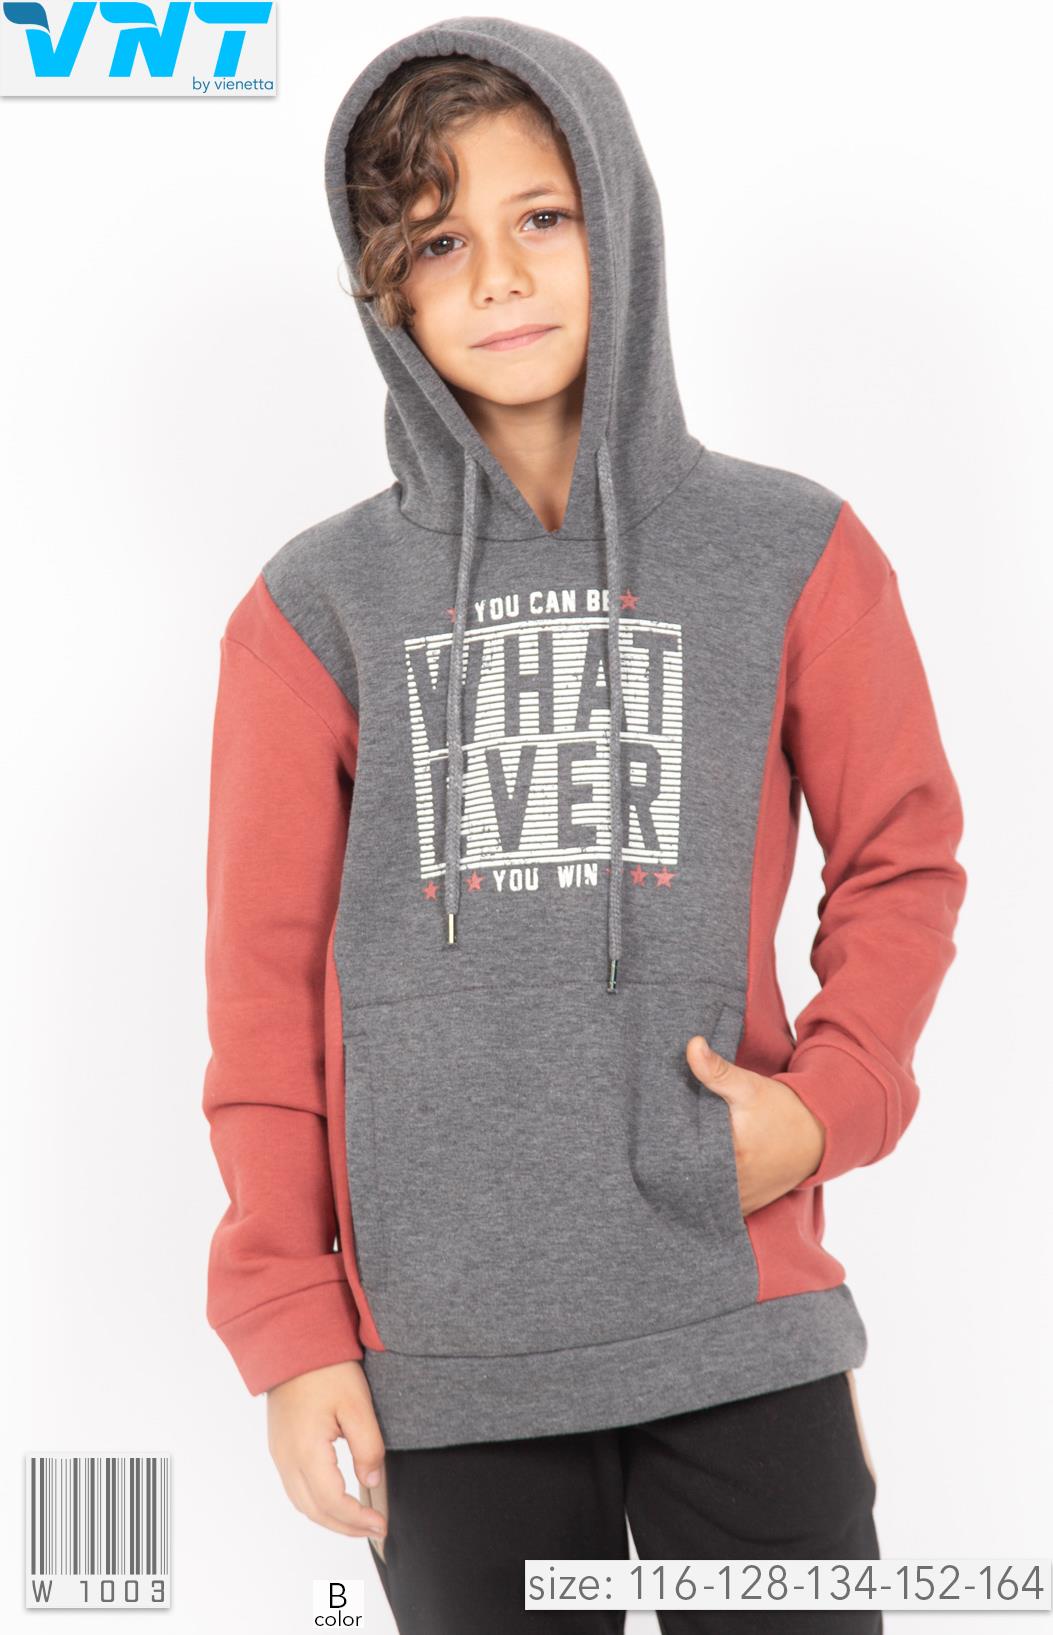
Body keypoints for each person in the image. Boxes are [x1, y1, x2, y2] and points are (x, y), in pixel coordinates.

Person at [201, 17, 967, 1633]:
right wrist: (289, 1321)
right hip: (443, 1354)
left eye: (539, 216)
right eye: (437, 241)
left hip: (731, 1307)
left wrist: (828, 1106)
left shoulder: (790, 549)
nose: (497, 275)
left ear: (618, 216)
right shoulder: (314, 609)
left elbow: (900, 857)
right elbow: (261, 990)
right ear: (386, 291)